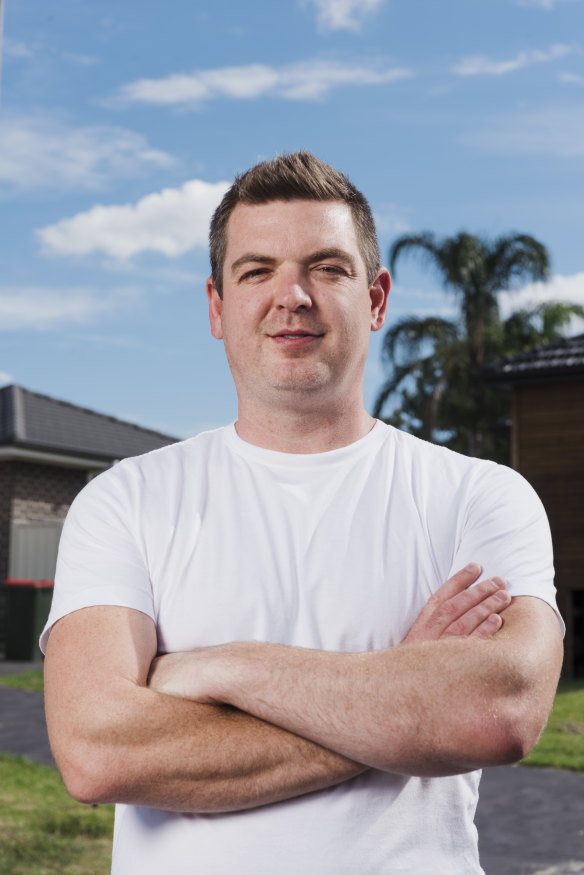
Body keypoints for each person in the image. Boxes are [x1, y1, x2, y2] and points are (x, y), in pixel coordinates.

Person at [42, 152, 563, 874]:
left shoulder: (479, 496)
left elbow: (497, 713)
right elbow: (96, 749)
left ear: (376, 299)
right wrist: (405, 695)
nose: (292, 295)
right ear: (217, 307)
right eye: (257, 271)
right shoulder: (126, 500)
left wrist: (221, 668)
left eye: (327, 267)